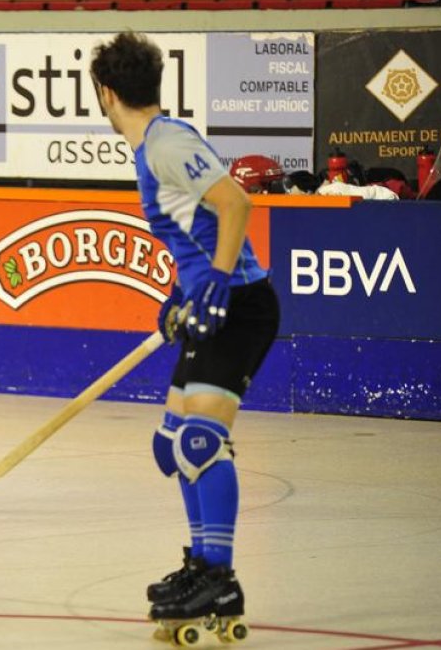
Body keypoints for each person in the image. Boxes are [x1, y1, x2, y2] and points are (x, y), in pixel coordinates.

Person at [90, 32, 280, 634]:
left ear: (106, 93)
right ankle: (200, 562)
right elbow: (193, 229)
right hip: (211, 299)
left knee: (199, 441)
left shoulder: (165, 144)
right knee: (171, 447)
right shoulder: (154, 144)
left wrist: (218, 285)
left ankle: (218, 580)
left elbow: (235, 205)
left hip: (240, 304)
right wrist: (182, 295)